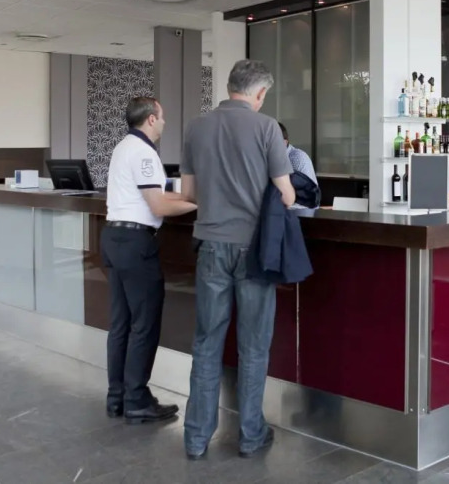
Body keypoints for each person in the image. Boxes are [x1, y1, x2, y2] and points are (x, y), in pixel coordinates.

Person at [181, 60, 295, 460]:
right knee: (254, 345)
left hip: (210, 245)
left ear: (229, 86)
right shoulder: (267, 128)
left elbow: (189, 193)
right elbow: (287, 194)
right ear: (259, 93)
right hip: (254, 250)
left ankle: (196, 438)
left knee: (206, 342)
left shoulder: (196, 127)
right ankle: (250, 435)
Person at [101, 96, 197, 424]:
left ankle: (117, 398)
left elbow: (152, 194)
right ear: (151, 119)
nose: (165, 123)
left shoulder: (123, 147)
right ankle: (138, 400)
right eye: (163, 116)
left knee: (121, 324)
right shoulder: (144, 152)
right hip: (135, 244)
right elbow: (158, 206)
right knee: (144, 324)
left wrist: (186, 197)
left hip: (113, 238)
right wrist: (200, 204)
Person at [279, 121, 320, 209]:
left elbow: (304, 199)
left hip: (302, 211)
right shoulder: (267, 158)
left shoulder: (297, 158)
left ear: (284, 143)